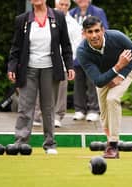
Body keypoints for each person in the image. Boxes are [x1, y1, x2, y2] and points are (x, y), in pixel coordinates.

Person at [7, 0, 74, 154]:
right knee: (25, 107)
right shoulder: (22, 19)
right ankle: (20, 142)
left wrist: (69, 66)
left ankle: (50, 144)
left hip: (50, 69)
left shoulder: (58, 16)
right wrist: (12, 67)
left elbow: (66, 45)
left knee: (48, 108)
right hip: (28, 69)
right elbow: (16, 47)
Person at [77, 16, 132, 158]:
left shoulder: (116, 36)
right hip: (106, 74)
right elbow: (98, 81)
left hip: (126, 70)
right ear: (84, 34)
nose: (94, 35)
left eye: (97, 31)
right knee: (104, 115)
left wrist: (121, 74)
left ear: (103, 30)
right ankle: (110, 140)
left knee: (112, 99)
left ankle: (113, 145)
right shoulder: (82, 52)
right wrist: (117, 67)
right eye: (90, 32)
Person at [33, 0, 82, 128]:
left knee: (60, 91)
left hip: (62, 63)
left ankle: (57, 116)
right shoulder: (45, 17)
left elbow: (75, 46)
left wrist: (68, 63)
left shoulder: (74, 25)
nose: (63, 7)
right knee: (41, 89)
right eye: (61, 4)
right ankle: (37, 116)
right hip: (45, 60)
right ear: (56, 4)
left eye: (66, 5)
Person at [70, 0, 108, 122]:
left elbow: (104, 30)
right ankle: (79, 109)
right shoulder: (71, 13)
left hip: (93, 53)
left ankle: (94, 109)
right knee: (78, 82)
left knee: (93, 82)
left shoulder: (98, 12)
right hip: (76, 53)